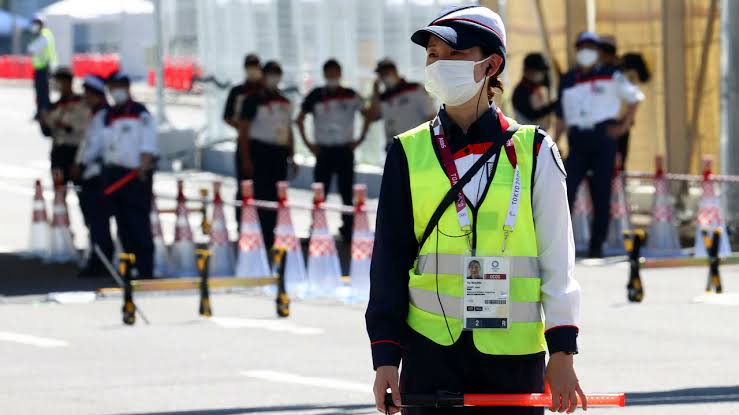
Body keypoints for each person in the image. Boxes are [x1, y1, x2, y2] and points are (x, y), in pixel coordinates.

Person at [367, 5, 585, 415]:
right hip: (430, 355)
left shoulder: (536, 150)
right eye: (433, 55)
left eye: (453, 54)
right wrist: (385, 358)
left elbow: (559, 258)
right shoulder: (407, 152)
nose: (438, 65)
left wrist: (562, 351)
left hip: (512, 358)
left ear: (492, 64)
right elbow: (389, 262)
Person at [553, 32, 644, 258]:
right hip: (578, 140)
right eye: (582, 47)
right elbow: (562, 116)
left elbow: (635, 98)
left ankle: (596, 245)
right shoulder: (568, 79)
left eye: (591, 47)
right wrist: (553, 142)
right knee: (567, 191)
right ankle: (561, 245)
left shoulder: (612, 74)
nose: (586, 52)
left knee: (601, 193)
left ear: (598, 51)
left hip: (603, 138)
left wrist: (623, 126)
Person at [85, 72, 158, 278]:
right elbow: (101, 145)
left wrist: (144, 166)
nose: (114, 92)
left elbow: (148, 142)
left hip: (135, 175)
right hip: (113, 174)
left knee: (138, 223)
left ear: (126, 88)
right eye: (111, 87)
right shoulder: (108, 116)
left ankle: (145, 270)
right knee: (122, 225)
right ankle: (129, 265)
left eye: (118, 86)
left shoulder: (140, 113)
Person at [295, 59, 371, 241]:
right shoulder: (315, 95)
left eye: (335, 73)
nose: (332, 77)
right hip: (324, 151)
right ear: (324, 75)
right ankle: (316, 228)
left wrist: (360, 139)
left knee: (347, 193)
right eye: (329, 74)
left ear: (340, 74)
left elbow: (368, 114)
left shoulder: (351, 95)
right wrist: (309, 145)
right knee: (320, 192)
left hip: (344, 150)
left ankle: (348, 229)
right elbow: (299, 119)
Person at [237, 60, 296, 249]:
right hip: (258, 151)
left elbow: (288, 129)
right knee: (258, 193)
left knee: (275, 195)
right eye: (270, 73)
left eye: (276, 73)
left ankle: (271, 234)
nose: (273, 78)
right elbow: (244, 130)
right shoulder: (252, 100)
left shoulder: (285, 101)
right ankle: (254, 233)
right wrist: (246, 158)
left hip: (278, 152)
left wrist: (291, 155)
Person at [74, 75, 114, 277]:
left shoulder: (104, 115)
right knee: (94, 222)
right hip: (90, 174)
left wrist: (81, 165)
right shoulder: (96, 115)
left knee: (98, 221)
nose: (85, 97)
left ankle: (101, 262)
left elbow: (95, 146)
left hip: (97, 175)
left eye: (88, 93)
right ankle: (99, 259)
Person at [224, 53, 264, 225]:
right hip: (245, 143)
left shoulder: (266, 92)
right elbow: (227, 116)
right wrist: (243, 129)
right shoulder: (238, 91)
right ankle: (242, 224)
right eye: (250, 66)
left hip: (264, 145)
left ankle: (264, 224)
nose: (253, 70)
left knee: (264, 188)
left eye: (256, 66)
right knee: (244, 185)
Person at [369, 58, 436, 151]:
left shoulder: (414, 89)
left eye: (386, 73)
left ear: (394, 71)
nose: (383, 77)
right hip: (393, 144)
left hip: (415, 143)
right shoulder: (383, 97)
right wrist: (375, 91)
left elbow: (431, 116)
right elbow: (373, 116)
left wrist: (427, 140)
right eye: (381, 75)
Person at [40, 67, 88, 184]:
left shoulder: (81, 102)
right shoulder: (55, 105)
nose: (57, 84)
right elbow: (48, 131)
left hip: (75, 151)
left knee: (81, 190)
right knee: (59, 189)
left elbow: (79, 125)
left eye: (59, 81)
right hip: (58, 151)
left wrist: (61, 124)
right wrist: (43, 120)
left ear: (68, 81)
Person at [512, 53, 556, 129]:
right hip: (527, 137)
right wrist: (552, 106)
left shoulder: (537, 87)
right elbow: (531, 115)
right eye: (539, 71)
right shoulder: (520, 92)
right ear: (528, 71)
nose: (542, 74)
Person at [26, 17, 57, 119]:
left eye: (35, 24)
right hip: (39, 68)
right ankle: (41, 111)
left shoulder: (44, 36)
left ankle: (44, 111)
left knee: (43, 92)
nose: (33, 27)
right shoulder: (40, 36)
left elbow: (32, 49)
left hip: (44, 68)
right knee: (40, 91)